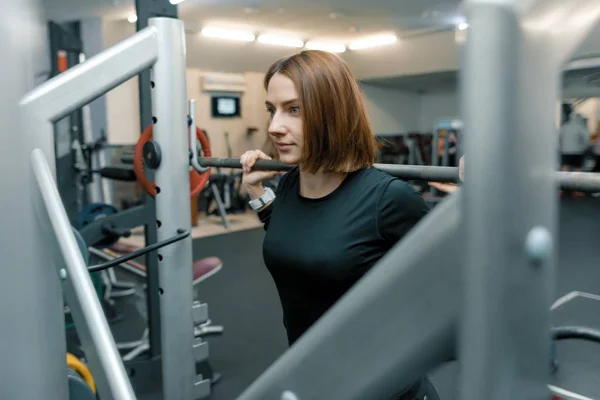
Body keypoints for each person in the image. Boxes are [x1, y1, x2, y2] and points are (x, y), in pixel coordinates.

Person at [240, 50, 435, 399]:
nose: (274, 127)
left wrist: (478, 198)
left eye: (294, 110)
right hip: (312, 376)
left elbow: (461, 276)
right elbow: (295, 234)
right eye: (273, 110)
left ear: (331, 113)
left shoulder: (388, 199)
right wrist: (256, 188)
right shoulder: (288, 184)